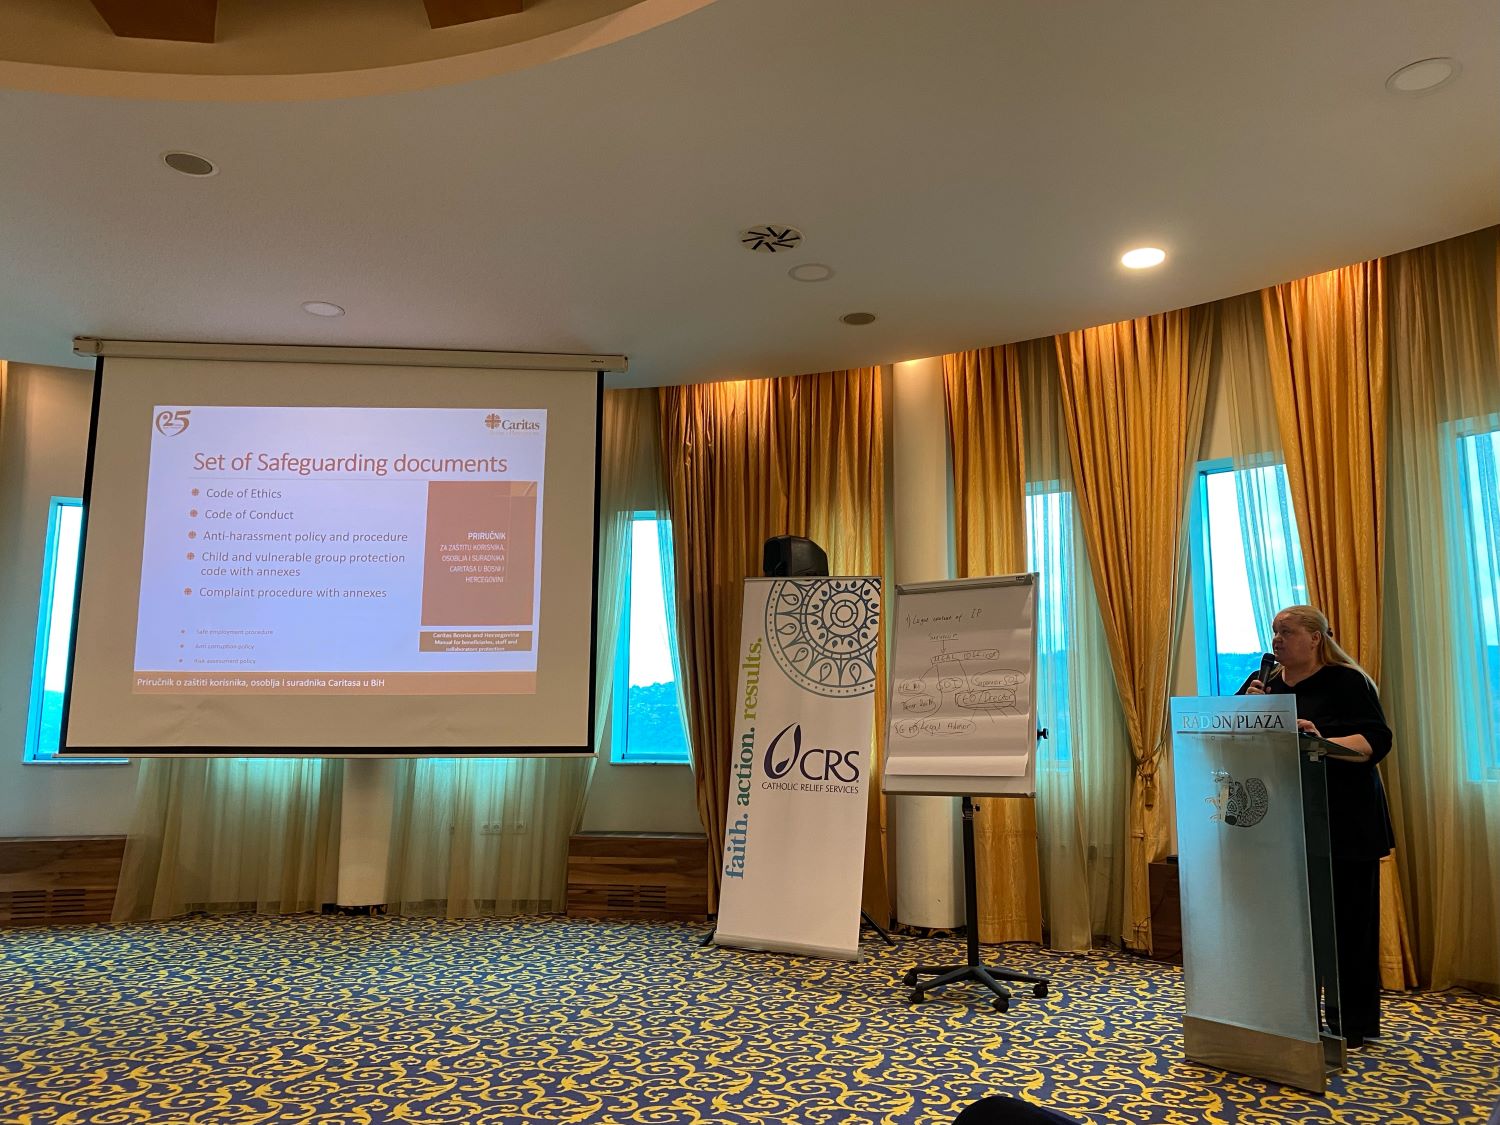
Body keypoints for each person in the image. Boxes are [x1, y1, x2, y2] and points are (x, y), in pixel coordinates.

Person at [1239, 604, 1394, 1049]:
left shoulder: (1348, 682)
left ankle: (1350, 1024)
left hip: (1345, 820)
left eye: (1286, 632)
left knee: (1348, 926)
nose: (1277, 640)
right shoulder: (1262, 683)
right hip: (1285, 821)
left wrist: (1320, 740)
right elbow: (1230, 734)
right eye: (1274, 632)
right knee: (1292, 929)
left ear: (1315, 638)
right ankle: (1294, 1016)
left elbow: (1376, 740)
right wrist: (1248, 709)